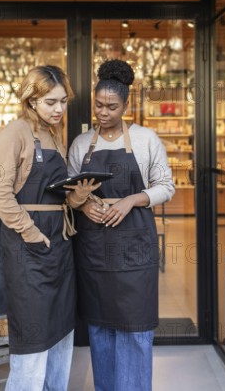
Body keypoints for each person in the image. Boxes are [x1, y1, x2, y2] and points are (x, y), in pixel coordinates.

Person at [66, 59, 175, 391]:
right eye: (98, 105)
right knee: (100, 329)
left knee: (137, 330)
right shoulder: (82, 144)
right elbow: (70, 190)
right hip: (95, 251)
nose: (103, 112)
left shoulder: (145, 139)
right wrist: (84, 205)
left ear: (126, 106)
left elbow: (166, 186)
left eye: (111, 107)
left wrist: (131, 200)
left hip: (135, 252)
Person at [0, 65, 77, 391]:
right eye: (51, 102)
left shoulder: (55, 136)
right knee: (33, 338)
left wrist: (77, 195)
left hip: (61, 246)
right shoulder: (15, 132)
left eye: (63, 102)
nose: (59, 109)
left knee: (62, 334)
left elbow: (57, 191)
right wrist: (30, 231)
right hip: (29, 248)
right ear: (31, 100)